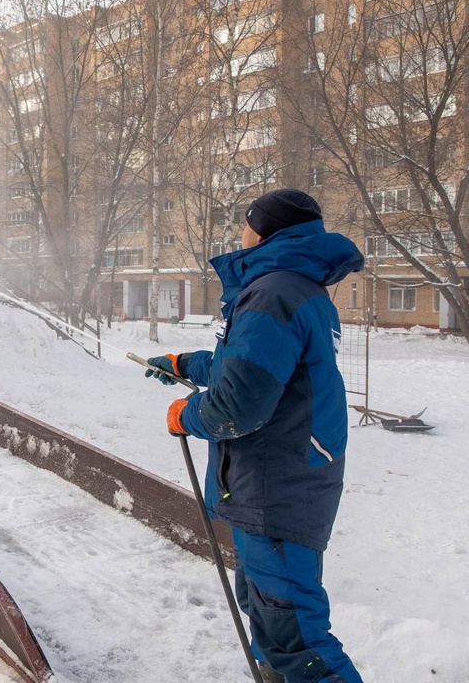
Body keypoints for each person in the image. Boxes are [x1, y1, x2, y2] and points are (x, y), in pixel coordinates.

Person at [145, 189, 365, 683]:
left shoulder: (271, 293)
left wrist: (187, 414)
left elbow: (240, 404)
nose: (239, 234)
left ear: (263, 231)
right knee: (267, 614)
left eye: (245, 224)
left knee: (297, 639)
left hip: (276, 489)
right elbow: (249, 367)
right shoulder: (297, 289)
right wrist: (185, 365)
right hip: (277, 481)